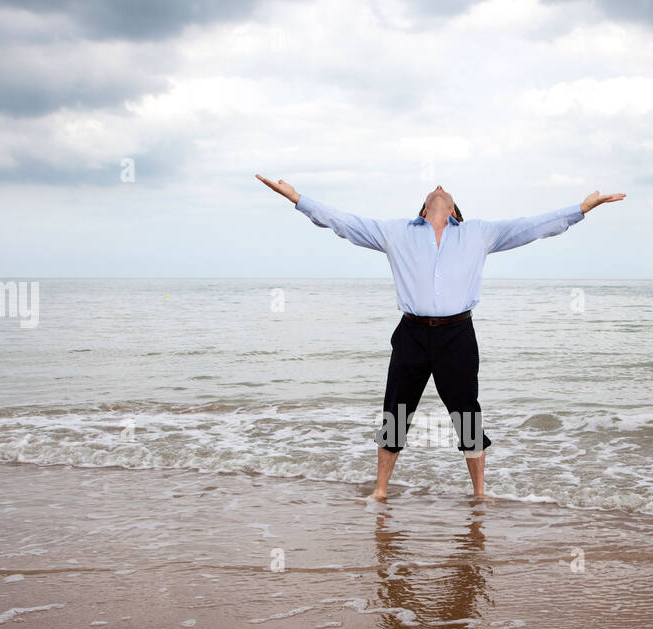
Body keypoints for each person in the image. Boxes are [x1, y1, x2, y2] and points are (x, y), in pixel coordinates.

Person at [255, 174, 625, 498]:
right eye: (434, 188)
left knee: (466, 414)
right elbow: (342, 222)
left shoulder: (480, 234)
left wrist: (583, 208)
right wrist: (297, 199)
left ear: (454, 211)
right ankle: (381, 490)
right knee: (396, 412)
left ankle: (480, 493)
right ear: (425, 208)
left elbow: (533, 226)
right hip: (412, 333)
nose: (439, 186)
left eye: (445, 190)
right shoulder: (395, 232)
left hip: (457, 335)